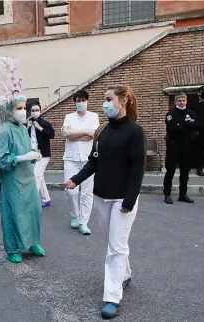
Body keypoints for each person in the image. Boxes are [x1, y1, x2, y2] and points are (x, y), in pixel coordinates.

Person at [64, 85, 146, 319]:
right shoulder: (102, 131)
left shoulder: (135, 132)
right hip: (101, 196)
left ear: (124, 101)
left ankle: (112, 297)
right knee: (114, 242)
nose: (105, 104)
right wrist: (75, 180)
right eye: (104, 100)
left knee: (115, 248)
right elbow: (93, 162)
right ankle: (125, 273)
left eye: (109, 99)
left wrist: (130, 199)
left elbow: (137, 168)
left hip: (122, 199)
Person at [0, 94, 45, 264]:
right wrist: (22, 158)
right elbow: (1, 161)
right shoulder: (3, 131)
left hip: (28, 177)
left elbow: (27, 148)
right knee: (13, 213)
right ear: (9, 111)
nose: (24, 111)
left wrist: (33, 155)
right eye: (19, 108)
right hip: (12, 180)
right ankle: (12, 248)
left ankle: (31, 243)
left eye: (24, 107)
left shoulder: (23, 128)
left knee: (33, 210)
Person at [61, 90, 100, 235]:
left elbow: (93, 135)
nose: (81, 103)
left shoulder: (94, 116)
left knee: (86, 192)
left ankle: (84, 222)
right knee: (70, 190)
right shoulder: (69, 117)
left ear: (87, 101)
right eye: (78, 101)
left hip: (88, 159)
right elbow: (66, 134)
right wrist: (85, 132)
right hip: (71, 158)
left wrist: (75, 134)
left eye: (83, 100)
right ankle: (74, 216)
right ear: (75, 102)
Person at [163, 92, 199, 204]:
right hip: (173, 146)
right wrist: (187, 126)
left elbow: (197, 125)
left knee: (185, 172)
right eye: (179, 101)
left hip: (187, 147)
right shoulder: (171, 114)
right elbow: (172, 128)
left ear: (186, 101)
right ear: (175, 102)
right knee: (170, 171)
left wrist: (182, 125)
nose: (182, 102)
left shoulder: (191, 113)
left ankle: (183, 195)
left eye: (183, 100)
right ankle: (167, 194)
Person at [27, 103, 55, 208]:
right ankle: (46, 199)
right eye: (33, 110)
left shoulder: (44, 123)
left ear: (40, 111)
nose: (35, 112)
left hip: (43, 154)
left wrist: (40, 128)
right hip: (33, 154)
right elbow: (24, 138)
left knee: (35, 177)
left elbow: (52, 134)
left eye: (36, 110)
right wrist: (27, 127)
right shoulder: (28, 124)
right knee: (40, 177)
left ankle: (33, 201)